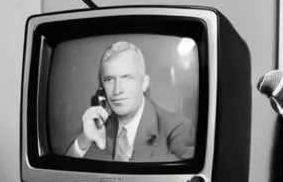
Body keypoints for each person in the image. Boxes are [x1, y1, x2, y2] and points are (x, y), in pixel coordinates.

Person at [65, 41, 196, 162]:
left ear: (144, 83)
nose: (117, 90)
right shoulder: (99, 128)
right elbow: (65, 179)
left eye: (127, 77)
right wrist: (84, 140)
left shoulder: (177, 129)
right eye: (109, 79)